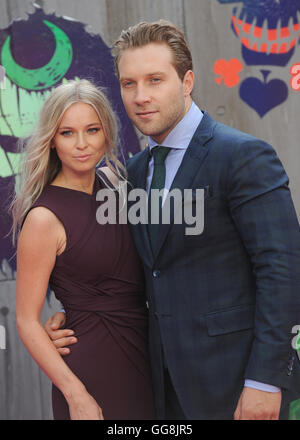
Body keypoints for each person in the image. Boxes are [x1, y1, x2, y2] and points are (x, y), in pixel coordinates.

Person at [45, 21, 300, 420]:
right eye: (129, 84)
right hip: (158, 386)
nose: (141, 97)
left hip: (237, 385)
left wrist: (266, 381)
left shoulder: (244, 157)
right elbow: (140, 270)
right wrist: (75, 315)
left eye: (155, 80)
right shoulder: (133, 171)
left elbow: (283, 272)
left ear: (187, 81)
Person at [12, 79, 155, 420]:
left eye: (92, 130)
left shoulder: (117, 186)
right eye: (66, 133)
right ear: (51, 140)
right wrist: (75, 395)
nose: (81, 144)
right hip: (91, 371)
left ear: (107, 132)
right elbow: (26, 320)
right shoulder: (44, 219)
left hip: (146, 356)